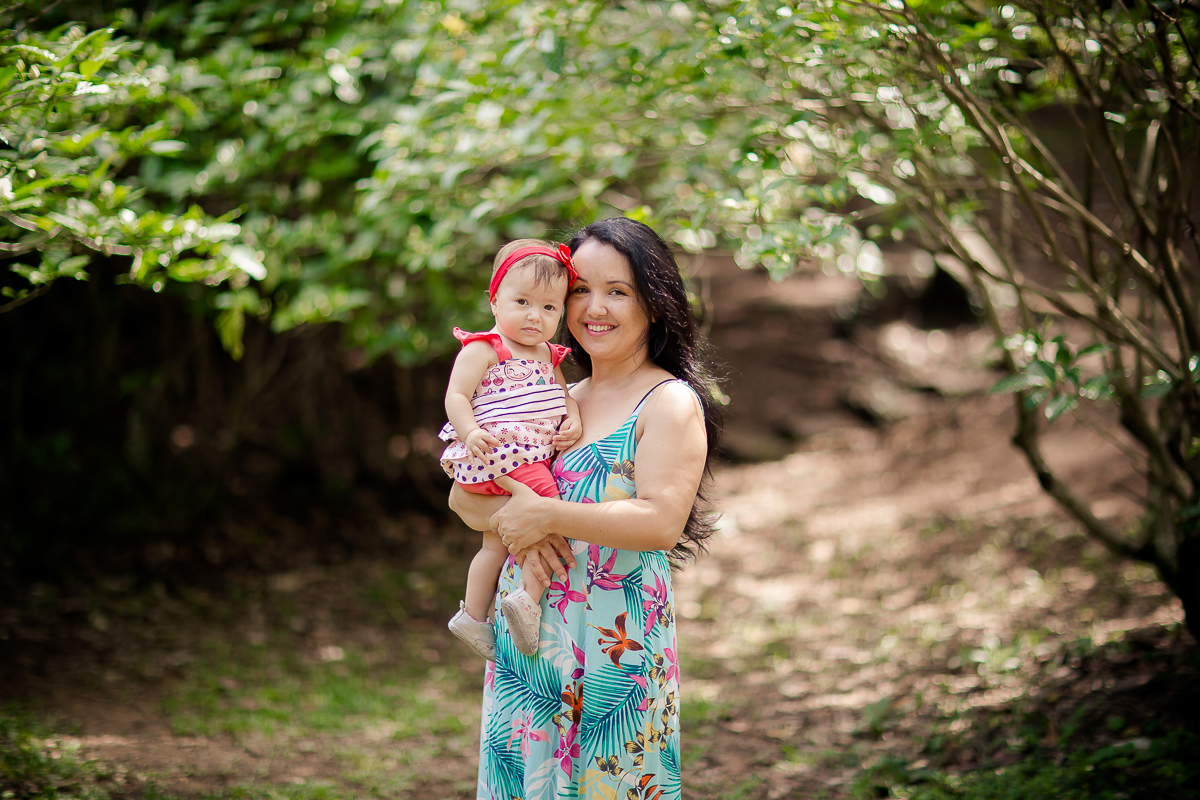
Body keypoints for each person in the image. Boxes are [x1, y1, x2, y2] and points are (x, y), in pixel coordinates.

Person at [449, 217, 722, 800]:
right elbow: (464, 498)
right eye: (581, 290)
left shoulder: (668, 402)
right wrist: (517, 516)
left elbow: (660, 523)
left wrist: (546, 518)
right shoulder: (556, 398)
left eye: (617, 291)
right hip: (528, 655)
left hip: (611, 663)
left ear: (654, 303)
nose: (594, 308)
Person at [443, 239, 584, 661]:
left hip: (525, 456)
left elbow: (565, 397)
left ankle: (472, 615)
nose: (533, 316)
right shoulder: (485, 348)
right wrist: (468, 433)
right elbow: (456, 396)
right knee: (548, 511)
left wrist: (573, 418)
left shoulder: (548, 356)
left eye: (548, 308)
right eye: (521, 301)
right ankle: (528, 598)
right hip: (502, 453)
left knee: (494, 545)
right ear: (494, 301)